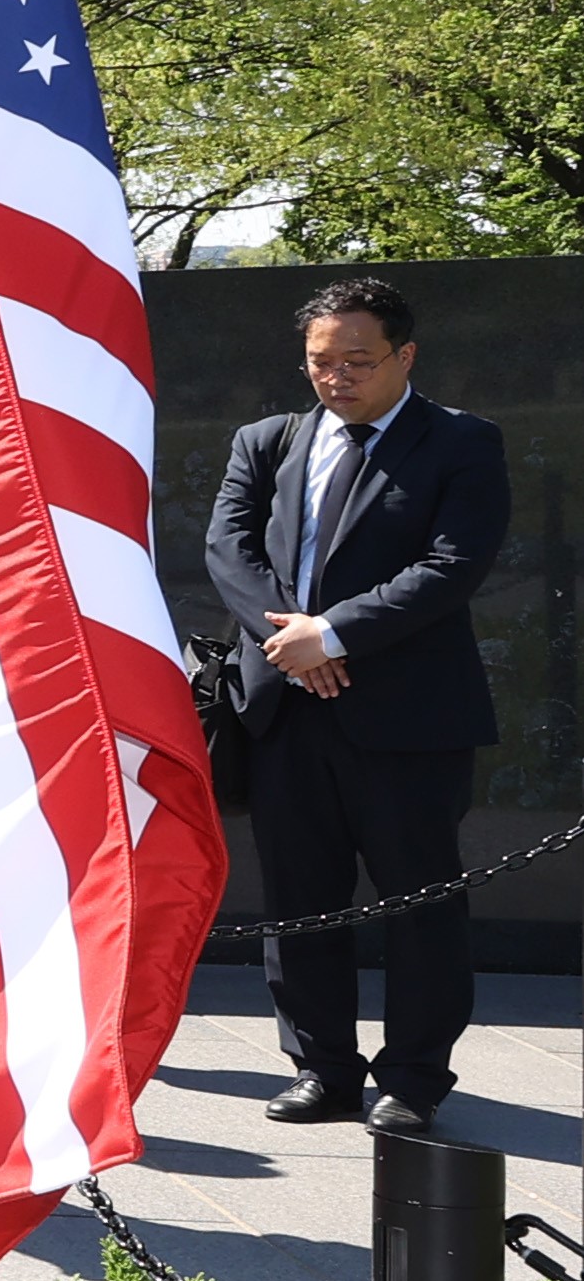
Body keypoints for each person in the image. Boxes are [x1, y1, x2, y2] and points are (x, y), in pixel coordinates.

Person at [205, 275, 506, 1134]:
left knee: (420, 901)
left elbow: (453, 565)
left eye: (357, 361)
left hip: (409, 717)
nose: (336, 377)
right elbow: (228, 548)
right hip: (285, 709)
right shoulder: (267, 441)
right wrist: (292, 647)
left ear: (404, 356)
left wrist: (332, 635)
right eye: (319, 361)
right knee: (302, 899)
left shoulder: (461, 443)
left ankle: (411, 1076)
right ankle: (322, 1067)